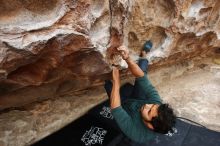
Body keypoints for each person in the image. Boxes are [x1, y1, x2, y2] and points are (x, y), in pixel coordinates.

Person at [104, 41, 176, 143]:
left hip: (125, 110)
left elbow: (116, 109)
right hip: (137, 99)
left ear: (150, 126)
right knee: (142, 72)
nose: (147, 105)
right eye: (152, 106)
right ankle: (143, 54)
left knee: (108, 85)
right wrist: (128, 58)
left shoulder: (138, 134)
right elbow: (142, 77)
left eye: (149, 111)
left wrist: (116, 81)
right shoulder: (156, 104)